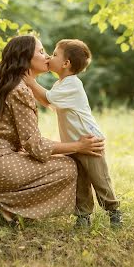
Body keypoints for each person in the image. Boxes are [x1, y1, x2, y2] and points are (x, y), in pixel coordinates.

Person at [0, 35, 105, 226]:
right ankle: (5, 208)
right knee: (69, 167)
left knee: (59, 161)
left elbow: (46, 106)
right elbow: (35, 145)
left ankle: (1, 204)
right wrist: (78, 146)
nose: (48, 56)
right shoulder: (20, 90)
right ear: (26, 59)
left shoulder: (15, 85)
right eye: (41, 52)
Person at [25, 38, 122, 227]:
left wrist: (30, 81)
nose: (49, 57)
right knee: (80, 181)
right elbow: (48, 102)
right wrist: (31, 86)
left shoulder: (72, 84)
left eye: (54, 54)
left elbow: (47, 97)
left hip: (90, 141)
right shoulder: (60, 85)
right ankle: (83, 216)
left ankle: (114, 211)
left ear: (65, 63)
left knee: (99, 179)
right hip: (75, 143)